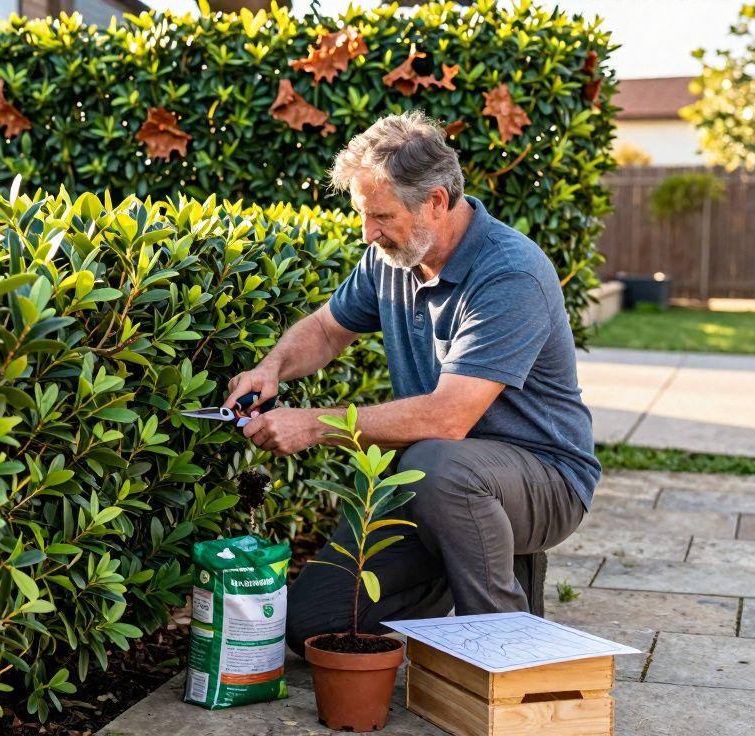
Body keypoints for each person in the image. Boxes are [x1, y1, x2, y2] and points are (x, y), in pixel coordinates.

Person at [222, 111, 600, 648]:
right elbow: (328, 330)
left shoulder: (509, 272)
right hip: (437, 484)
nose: (366, 233)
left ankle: (507, 644)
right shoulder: (393, 257)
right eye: (361, 215)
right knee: (313, 625)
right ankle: (458, 555)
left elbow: (449, 418)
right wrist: (271, 368)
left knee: (434, 462)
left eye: (380, 216)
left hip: (542, 477)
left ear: (437, 202)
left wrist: (314, 424)